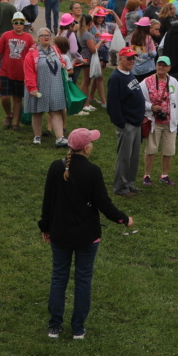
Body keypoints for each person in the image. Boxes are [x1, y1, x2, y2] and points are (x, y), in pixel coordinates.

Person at [38, 128, 131, 340]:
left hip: (60, 232)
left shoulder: (56, 167)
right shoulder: (92, 171)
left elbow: (48, 201)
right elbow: (104, 204)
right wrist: (123, 219)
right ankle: (78, 328)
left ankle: (55, 326)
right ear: (87, 147)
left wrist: (45, 227)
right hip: (87, 235)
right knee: (83, 279)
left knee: (59, 277)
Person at [138, 56, 178, 186]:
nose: (161, 67)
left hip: (170, 123)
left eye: (164, 65)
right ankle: (147, 175)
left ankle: (165, 175)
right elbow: (139, 100)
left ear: (169, 68)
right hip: (154, 122)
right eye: (159, 64)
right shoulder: (146, 82)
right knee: (151, 149)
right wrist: (151, 107)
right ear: (156, 65)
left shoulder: (173, 81)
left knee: (168, 151)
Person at [105, 46, 145, 197]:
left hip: (136, 122)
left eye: (133, 58)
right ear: (120, 59)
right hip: (127, 124)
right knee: (124, 157)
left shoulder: (129, 74)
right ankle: (120, 187)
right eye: (128, 58)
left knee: (133, 156)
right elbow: (113, 105)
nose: (132, 61)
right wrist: (121, 123)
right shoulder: (116, 78)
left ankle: (129, 183)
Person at [24, 28, 69, 148]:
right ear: (38, 38)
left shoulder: (55, 49)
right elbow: (29, 72)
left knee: (55, 111)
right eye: (43, 35)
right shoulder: (32, 53)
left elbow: (59, 61)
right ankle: (37, 136)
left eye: (48, 35)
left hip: (55, 86)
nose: (46, 37)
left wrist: (62, 64)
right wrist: (32, 87)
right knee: (37, 112)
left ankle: (59, 138)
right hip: (39, 86)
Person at [0, 14, 35, 130]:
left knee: (18, 98)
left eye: (21, 23)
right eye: (16, 22)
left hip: (21, 73)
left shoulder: (28, 38)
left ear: (24, 25)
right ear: (12, 23)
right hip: (5, 71)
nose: (18, 25)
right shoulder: (6, 35)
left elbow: (32, 55)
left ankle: (15, 123)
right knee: (5, 97)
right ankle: (9, 114)